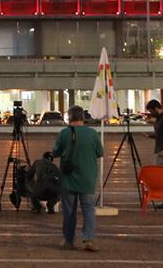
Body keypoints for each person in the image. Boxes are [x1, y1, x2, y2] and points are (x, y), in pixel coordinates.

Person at [54, 105, 104, 252]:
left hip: (68, 180)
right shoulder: (92, 134)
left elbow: (56, 152)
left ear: (69, 118)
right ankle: (88, 239)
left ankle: (69, 240)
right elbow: (100, 152)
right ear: (83, 117)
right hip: (87, 179)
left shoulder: (63, 133)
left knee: (69, 211)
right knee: (88, 210)